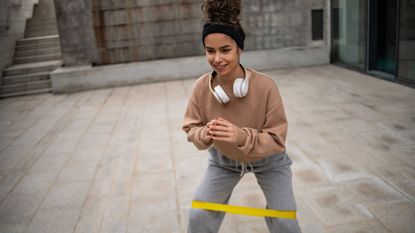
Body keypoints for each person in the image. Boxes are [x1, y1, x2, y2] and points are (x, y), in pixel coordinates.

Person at [182, 0, 301, 232]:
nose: (218, 58)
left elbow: (277, 140)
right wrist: (203, 134)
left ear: (239, 49)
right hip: (223, 163)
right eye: (210, 51)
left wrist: (241, 137)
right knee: (198, 216)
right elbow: (191, 128)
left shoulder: (266, 86)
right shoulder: (200, 87)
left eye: (225, 50)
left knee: (285, 221)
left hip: (269, 162)